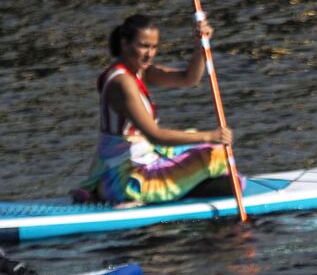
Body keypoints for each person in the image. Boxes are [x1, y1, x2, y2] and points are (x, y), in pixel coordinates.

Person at [72, 13, 236, 206]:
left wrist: (201, 45)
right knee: (217, 155)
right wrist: (209, 136)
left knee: (206, 148)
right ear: (125, 44)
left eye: (154, 47)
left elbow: (189, 79)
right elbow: (155, 135)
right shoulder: (122, 83)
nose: (149, 53)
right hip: (122, 177)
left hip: (138, 158)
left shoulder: (140, 71)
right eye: (143, 46)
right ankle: (136, 195)